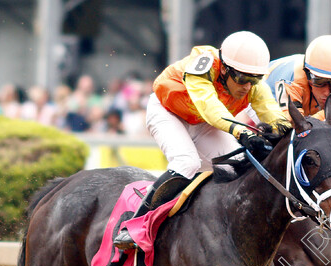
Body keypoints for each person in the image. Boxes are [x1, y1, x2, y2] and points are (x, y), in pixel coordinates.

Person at [113, 30, 291, 250]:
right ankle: (133, 226)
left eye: (254, 80)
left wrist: (290, 133)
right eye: (242, 78)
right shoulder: (204, 64)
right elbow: (210, 107)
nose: (247, 86)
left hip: (202, 122)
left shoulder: (252, 83)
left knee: (236, 166)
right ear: (224, 68)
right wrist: (241, 132)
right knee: (186, 162)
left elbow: (271, 113)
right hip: (168, 113)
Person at [265, 34, 331, 119]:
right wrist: (326, 113)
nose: (327, 92)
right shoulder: (291, 81)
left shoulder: (312, 70)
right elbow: (294, 126)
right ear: (307, 73)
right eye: (319, 81)